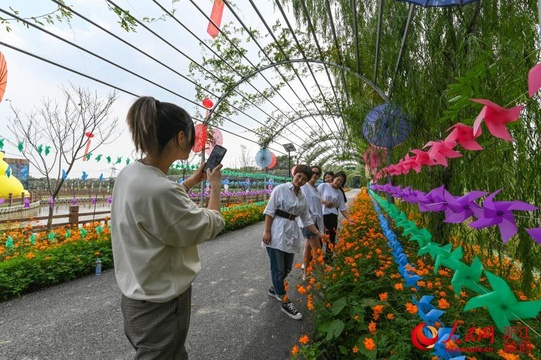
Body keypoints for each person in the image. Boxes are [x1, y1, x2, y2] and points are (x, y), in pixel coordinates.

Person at [111, 96, 225, 360]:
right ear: (181, 137)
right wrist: (215, 186)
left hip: (136, 297)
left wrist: (192, 181)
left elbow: (156, 206)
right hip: (160, 306)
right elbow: (212, 223)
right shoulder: (160, 191)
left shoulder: (130, 174)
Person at [262, 164, 326, 320]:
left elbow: (306, 219)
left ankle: (274, 288)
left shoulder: (302, 198)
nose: (300, 180)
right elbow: (270, 211)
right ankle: (284, 301)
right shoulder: (281, 189)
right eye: (299, 176)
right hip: (277, 232)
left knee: (287, 269)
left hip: (290, 232)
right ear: (294, 174)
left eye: (304, 179)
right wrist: (267, 231)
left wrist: (318, 233)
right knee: (278, 269)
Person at [318, 171, 353, 259]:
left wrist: (349, 219)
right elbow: (314, 197)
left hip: (332, 216)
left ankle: (328, 258)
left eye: (341, 182)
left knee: (331, 237)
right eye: (338, 180)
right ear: (334, 178)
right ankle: (316, 258)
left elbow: (342, 208)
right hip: (322, 215)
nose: (338, 182)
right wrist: (324, 202)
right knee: (319, 237)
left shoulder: (339, 192)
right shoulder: (323, 186)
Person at [298, 165, 324, 280]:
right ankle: (321, 276)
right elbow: (304, 206)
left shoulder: (315, 189)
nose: (315, 175)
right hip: (308, 222)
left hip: (315, 222)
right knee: (317, 250)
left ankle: (306, 274)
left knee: (308, 248)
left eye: (317, 173)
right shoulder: (305, 187)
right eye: (313, 172)